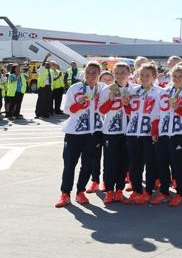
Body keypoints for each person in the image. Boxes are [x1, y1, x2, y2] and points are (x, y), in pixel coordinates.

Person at [54, 62, 103, 207]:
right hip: (74, 132)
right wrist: (78, 104)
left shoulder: (103, 89)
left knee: (87, 164)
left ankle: (80, 192)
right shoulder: (75, 88)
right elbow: (67, 109)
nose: (90, 75)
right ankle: (65, 193)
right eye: (88, 72)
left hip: (94, 132)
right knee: (69, 163)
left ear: (99, 74)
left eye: (94, 72)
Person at [152, 64, 182, 207]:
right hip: (164, 132)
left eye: (180, 76)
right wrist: (154, 130)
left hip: (179, 133)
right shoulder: (163, 92)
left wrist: (179, 109)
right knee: (162, 163)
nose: (177, 79)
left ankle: (179, 193)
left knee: (178, 165)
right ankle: (164, 192)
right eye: (174, 76)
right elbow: (156, 112)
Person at [124, 62, 165, 204]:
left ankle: (148, 191)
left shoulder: (160, 92)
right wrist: (126, 104)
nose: (144, 77)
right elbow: (130, 111)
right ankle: (136, 190)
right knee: (134, 163)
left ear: (154, 76)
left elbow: (160, 113)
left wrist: (154, 130)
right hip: (133, 131)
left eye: (147, 75)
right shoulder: (133, 90)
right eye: (141, 75)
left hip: (149, 133)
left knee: (150, 163)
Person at [97, 62, 133, 203]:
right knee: (110, 162)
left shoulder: (133, 89)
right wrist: (111, 100)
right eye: (116, 73)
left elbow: (136, 112)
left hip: (128, 131)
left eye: (123, 72)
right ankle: (110, 191)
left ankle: (119, 190)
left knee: (124, 161)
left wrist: (127, 104)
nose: (119, 75)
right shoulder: (107, 89)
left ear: (129, 73)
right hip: (111, 131)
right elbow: (101, 111)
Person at [35, 54, 53, 119]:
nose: (47, 65)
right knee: (41, 101)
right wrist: (46, 57)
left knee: (47, 101)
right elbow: (43, 64)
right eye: (46, 64)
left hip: (49, 87)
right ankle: (38, 113)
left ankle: (45, 113)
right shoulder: (42, 69)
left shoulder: (51, 71)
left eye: (49, 64)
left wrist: (51, 88)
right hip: (43, 87)